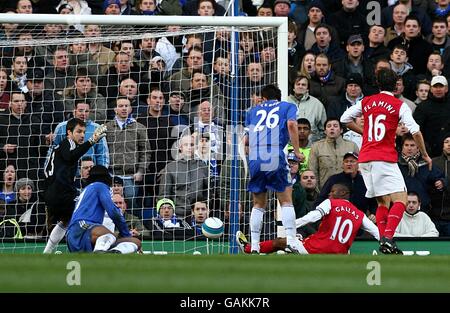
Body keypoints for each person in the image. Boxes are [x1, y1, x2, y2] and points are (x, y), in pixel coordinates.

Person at [340, 68, 432, 254]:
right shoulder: (399, 105)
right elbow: (415, 131)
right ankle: (388, 237)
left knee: (383, 202)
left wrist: (364, 132)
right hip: (383, 157)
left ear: (378, 84)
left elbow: (344, 118)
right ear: (396, 86)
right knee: (401, 199)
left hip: (365, 159)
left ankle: (384, 241)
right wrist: (425, 154)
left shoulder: (367, 101)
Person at [236, 184, 380, 254]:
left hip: (316, 249)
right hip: (339, 254)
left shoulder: (331, 203)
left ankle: (248, 248)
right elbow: (376, 231)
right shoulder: (359, 214)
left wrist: (292, 225)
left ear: (343, 193)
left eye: (332, 191)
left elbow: (313, 217)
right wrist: (387, 244)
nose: (329, 194)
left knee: (280, 242)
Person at [245, 84, 303, 254]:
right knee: (285, 199)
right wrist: (297, 152)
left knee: (258, 203)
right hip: (274, 153)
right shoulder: (287, 106)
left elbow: (246, 141)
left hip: (255, 156)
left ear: (263, 98)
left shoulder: (252, 111)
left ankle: (255, 245)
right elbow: (292, 125)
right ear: (278, 97)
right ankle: (292, 240)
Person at [42, 118, 107, 254]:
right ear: (69, 132)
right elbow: (71, 157)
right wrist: (91, 142)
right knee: (82, 216)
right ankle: (79, 250)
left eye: (84, 132)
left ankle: (47, 252)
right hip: (61, 192)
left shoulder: (61, 148)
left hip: (53, 192)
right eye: (78, 131)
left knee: (66, 220)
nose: (82, 135)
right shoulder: (68, 144)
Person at [66, 165, 141, 253]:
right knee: (109, 235)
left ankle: (113, 253)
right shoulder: (100, 186)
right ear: (106, 177)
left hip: (85, 234)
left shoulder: (87, 190)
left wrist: (126, 237)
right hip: (80, 227)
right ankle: (99, 252)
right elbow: (114, 212)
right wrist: (126, 234)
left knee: (136, 242)